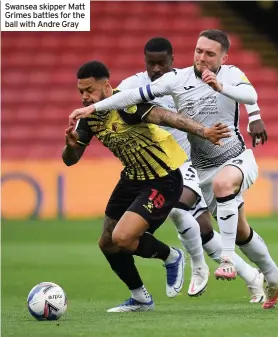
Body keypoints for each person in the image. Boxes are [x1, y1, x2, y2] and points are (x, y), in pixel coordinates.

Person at [69, 31, 278, 310]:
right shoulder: (173, 81)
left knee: (196, 201)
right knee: (239, 231)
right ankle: (270, 276)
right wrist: (93, 107)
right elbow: (128, 97)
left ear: (222, 58)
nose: (202, 57)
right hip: (198, 165)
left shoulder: (230, 74)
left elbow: (249, 93)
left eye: (209, 53)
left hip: (228, 158)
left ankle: (211, 263)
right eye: (199, 51)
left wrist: (250, 113)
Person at [63, 60, 230, 312]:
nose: (84, 97)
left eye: (89, 90)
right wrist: (71, 146)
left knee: (123, 238)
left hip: (162, 179)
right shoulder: (89, 118)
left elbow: (168, 117)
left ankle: (171, 256)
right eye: (80, 92)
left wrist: (204, 131)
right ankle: (140, 298)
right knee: (107, 243)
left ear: (107, 86)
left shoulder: (126, 104)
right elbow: (70, 161)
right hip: (132, 178)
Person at [117, 36, 266, 302]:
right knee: (205, 231)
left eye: (162, 63)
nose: (156, 69)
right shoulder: (135, 85)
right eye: (151, 64)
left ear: (173, 61)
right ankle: (252, 276)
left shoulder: (184, 81)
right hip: (158, 168)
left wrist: (254, 115)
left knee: (178, 207)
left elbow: (240, 85)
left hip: (190, 163)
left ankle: (196, 266)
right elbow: (114, 102)